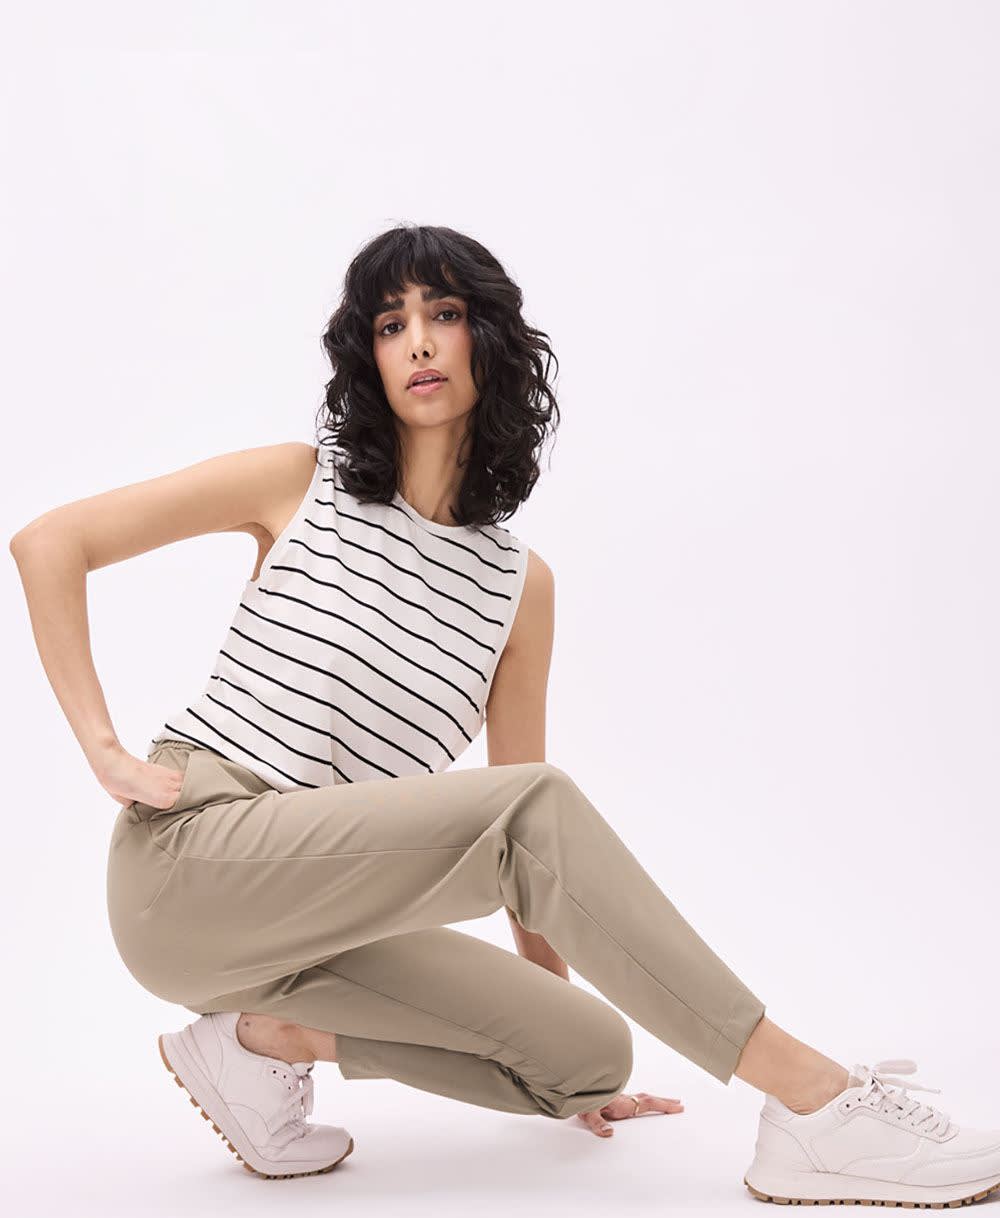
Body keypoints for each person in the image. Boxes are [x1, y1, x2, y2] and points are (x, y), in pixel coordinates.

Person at [10, 224, 999, 1205]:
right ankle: (814, 1102)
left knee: (587, 1049)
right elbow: (51, 542)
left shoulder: (519, 589)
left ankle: (263, 1044)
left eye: (443, 314)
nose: (419, 341)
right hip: (191, 865)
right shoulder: (299, 484)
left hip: (317, 922)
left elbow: (532, 853)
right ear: (369, 356)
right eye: (391, 324)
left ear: (488, 340)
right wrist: (104, 748)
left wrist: (546, 1010)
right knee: (528, 803)